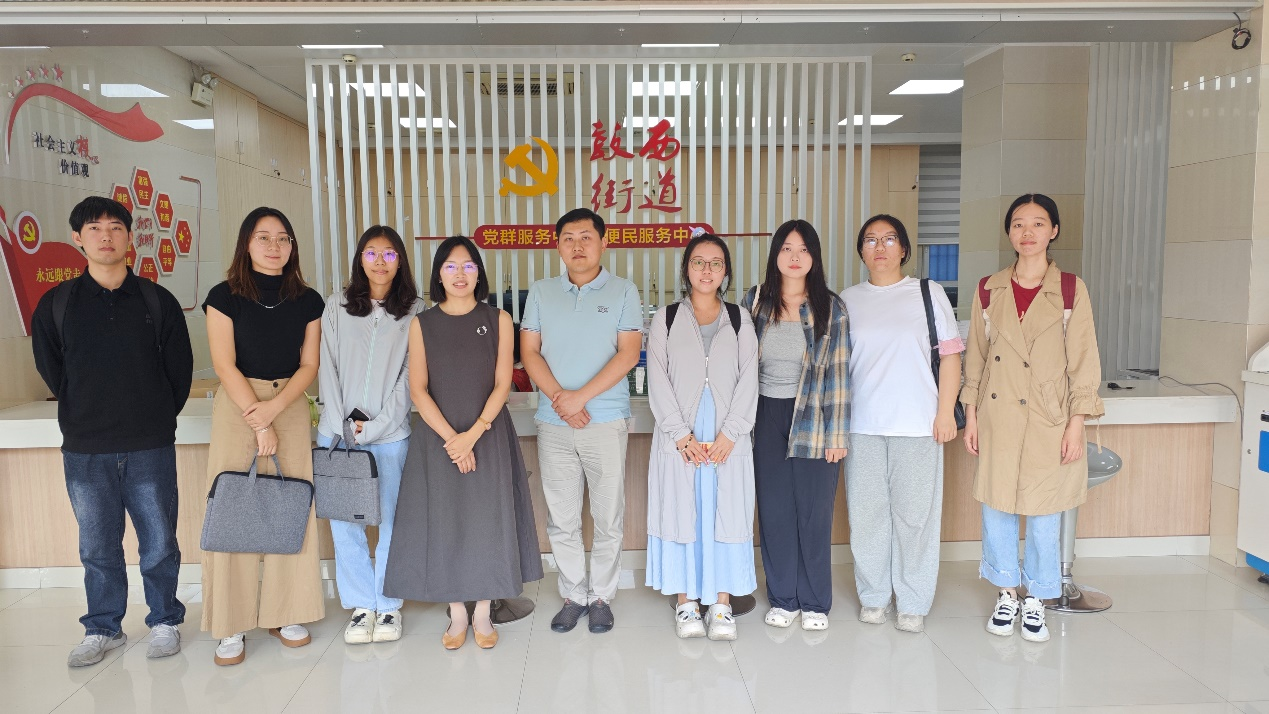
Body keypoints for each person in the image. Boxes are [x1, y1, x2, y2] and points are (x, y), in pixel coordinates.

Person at [32, 196, 193, 667]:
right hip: (86, 448)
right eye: (95, 228)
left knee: (159, 541)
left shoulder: (156, 301)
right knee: (97, 546)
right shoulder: (58, 303)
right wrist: (86, 411)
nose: (106, 236)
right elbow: (53, 370)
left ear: (129, 236)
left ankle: (165, 619)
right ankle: (103, 627)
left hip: (149, 444)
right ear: (77, 238)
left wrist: (155, 418)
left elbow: (178, 372)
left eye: (116, 227)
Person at [384, 235, 542, 651]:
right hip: (438, 438)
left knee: (488, 520)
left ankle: (484, 612)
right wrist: (453, 440)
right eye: (451, 266)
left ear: (479, 273)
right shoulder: (422, 324)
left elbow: (503, 383)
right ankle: (457, 614)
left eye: (468, 265)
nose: (460, 273)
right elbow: (418, 390)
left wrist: (471, 435)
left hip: (487, 435)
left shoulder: (499, 319)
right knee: (446, 519)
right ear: (439, 274)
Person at [962, 193, 1104, 643]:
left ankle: (1038, 599)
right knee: (998, 505)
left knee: (1045, 513)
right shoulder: (988, 289)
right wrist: (971, 414)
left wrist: (1077, 423)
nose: (1028, 232)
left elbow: (1084, 361)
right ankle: (1007, 592)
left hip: (1050, 417)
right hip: (998, 412)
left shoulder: (1070, 290)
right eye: (1019, 224)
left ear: (1054, 230)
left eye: (1038, 223)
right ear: (1009, 232)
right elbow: (975, 357)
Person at [201, 206, 326, 665]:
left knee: (292, 505)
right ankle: (230, 622)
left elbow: (309, 364)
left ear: (293, 246)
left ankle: (286, 611)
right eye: (263, 237)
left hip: (288, 402)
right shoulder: (224, 296)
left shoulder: (308, 300)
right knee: (232, 506)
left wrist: (275, 410)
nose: (274, 246)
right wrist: (259, 418)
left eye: (283, 238)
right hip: (239, 404)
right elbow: (223, 364)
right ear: (246, 244)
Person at [520, 207, 643, 634]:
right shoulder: (541, 292)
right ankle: (574, 594)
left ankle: (602, 597)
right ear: (557, 246)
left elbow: (628, 353)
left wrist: (579, 399)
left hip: (605, 421)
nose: (577, 245)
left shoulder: (624, 290)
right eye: (568, 238)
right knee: (562, 517)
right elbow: (529, 352)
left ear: (603, 243)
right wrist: (562, 400)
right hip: (554, 422)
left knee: (608, 516)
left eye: (586, 237)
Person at [841, 214, 964, 634]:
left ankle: (913, 600)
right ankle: (874, 596)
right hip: (861, 426)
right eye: (871, 239)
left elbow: (951, 356)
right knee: (867, 517)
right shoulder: (847, 300)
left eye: (889, 239)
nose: (880, 247)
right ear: (861, 250)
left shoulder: (928, 293)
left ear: (905, 249)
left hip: (918, 425)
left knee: (916, 518)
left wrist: (945, 412)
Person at [646, 231, 759, 641]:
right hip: (681, 439)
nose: (706, 270)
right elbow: (657, 378)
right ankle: (686, 603)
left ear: (725, 271)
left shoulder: (740, 319)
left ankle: (722, 605)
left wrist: (732, 432)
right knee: (682, 512)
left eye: (715, 263)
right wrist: (680, 435)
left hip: (728, 438)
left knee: (725, 513)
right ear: (686, 269)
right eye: (698, 262)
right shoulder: (666, 318)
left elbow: (750, 377)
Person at [742, 219, 849, 632]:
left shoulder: (831, 307)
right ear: (775, 254)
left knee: (814, 513)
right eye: (787, 248)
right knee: (774, 511)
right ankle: (784, 598)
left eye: (803, 249)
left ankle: (815, 602)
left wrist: (837, 434)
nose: (794, 256)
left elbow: (838, 373)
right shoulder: (756, 302)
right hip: (764, 416)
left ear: (814, 258)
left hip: (814, 418)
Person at [317, 225, 423, 645]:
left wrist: (375, 427)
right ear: (360, 258)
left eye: (390, 254)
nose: (380, 261)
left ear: (400, 262)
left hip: (390, 436)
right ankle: (362, 605)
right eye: (372, 253)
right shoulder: (336, 306)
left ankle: (389, 603)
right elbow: (326, 367)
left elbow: (410, 378)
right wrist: (343, 426)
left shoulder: (414, 311)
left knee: (392, 521)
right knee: (346, 522)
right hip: (338, 435)